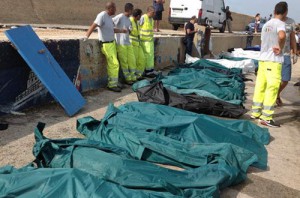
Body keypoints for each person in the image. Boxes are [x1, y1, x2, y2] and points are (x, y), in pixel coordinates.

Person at [251, 2, 287, 127]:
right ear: (285, 12)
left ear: (274, 10)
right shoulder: (280, 24)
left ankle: (255, 113)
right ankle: (266, 117)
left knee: (260, 86)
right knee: (272, 88)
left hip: (263, 60)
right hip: (273, 61)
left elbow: (262, 42)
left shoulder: (266, 24)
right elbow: (282, 36)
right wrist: (280, 48)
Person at [85, 2, 128, 92]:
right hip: (106, 44)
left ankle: (115, 83)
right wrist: (86, 37)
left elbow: (112, 30)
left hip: (112, 43)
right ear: (110, 8)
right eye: (114, 8)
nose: (116, 10)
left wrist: (121, 31)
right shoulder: (102, 15)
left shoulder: (109, 18)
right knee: (114, 64)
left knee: (114, 64)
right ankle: (112, 85)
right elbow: (94, 25)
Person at [276, 3, 297, 106]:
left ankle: (276, 94)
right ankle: (275, 96)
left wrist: (295, 52)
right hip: (274, 55)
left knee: (285, 79)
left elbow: (292, 38)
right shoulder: (273, 22)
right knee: (274, 79)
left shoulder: (291, 22)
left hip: (286, 54)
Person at [113, 3, 136, 85]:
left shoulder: (129, 19)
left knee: (132, 60)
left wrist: (129, 30)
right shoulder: (120, 17)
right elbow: (111, 25)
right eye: (132, 10)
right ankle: (128, 78)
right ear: (129, 10)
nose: (133, 11)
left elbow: (129, 29)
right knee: (124, 62)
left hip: (127, 42)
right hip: (121, 43)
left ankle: (133, 77)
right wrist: (119, 30)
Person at [140, 6, 159, 78]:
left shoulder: (151, 19)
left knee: (150, 56)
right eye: (153, 12)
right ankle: (147, 71)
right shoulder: (143, 17)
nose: (154, 14)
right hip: (144, 41)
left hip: (150, 40)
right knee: (147, 56)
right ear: (149, 11)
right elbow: (138, 27)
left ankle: (150, 70)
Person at [130, 9, 146, 80]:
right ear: (138, 16)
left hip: (138, 44)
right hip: (132, 44)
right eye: (140, 16)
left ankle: (139, 75)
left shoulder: (137, 22)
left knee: (142, 59)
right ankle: (133, 76)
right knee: (134, 61)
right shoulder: (130, 21)